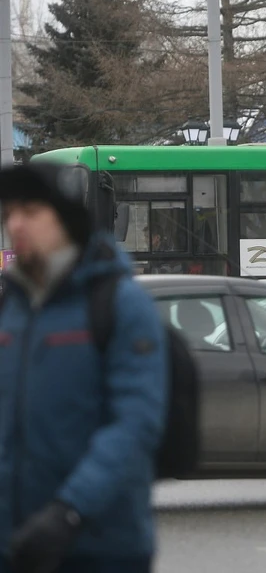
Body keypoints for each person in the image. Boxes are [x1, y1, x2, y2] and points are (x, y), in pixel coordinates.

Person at [0, 162, 168, 573]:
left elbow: (134, 423)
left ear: (67, 221)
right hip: (15, 545)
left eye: (31, 211)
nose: (16, 224)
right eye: (9, 213)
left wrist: (69, 511)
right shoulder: (11, 306)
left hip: (99, 547)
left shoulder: (119, 303)